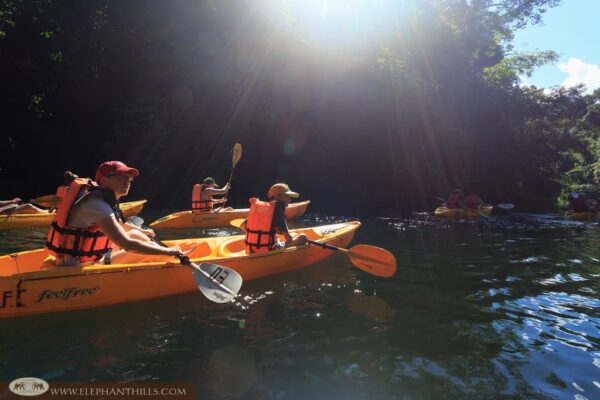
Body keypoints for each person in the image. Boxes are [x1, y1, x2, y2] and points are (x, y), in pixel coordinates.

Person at [46, 161, 182, 266]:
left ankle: (171, 257)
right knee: (139, 250)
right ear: (104, 181)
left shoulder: (101, 199)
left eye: (129, 178)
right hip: (77, 267)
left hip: (82, 260)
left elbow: (119, 224)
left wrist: (139, 230)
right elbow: (126, 244)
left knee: (136, 234)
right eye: (121, 177)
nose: (127, 181)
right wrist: (168, 251)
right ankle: (176, 258)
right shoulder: (97, 205)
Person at [239, 183, 308, 253]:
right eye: (287, 196)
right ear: (279, 196)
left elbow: (242, 225)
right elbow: (288, 239)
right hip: (270, 250)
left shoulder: (262, 208)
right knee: (303, 237)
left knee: (294, 234)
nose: (290, 199)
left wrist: (258, 237)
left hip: (251, 249)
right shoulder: (278, 209)